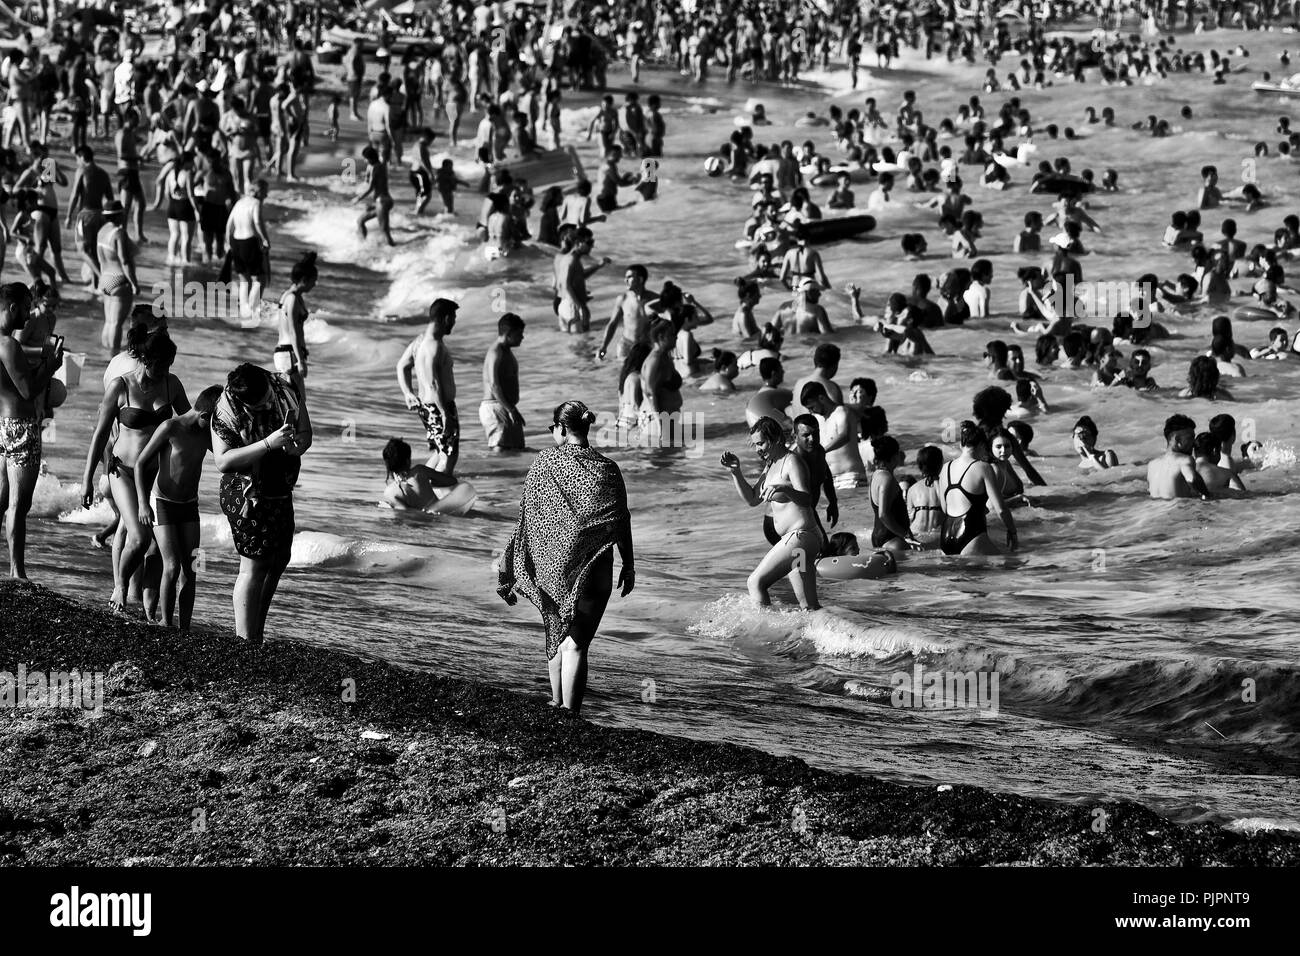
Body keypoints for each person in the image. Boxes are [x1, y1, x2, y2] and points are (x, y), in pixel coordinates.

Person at [497, 400, 634, 715]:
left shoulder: (544, 462)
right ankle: (569, 714)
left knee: (559, 633)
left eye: (551, 428)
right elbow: (619, 520)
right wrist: (629, 563)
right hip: (596, 567)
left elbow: (529, 518)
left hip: (555, 570)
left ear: (560, 428)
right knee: (577, 644)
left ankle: (557, 704)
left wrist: (512, 563)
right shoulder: (608, 468)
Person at [82, 327, 190, 617]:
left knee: (156, 548)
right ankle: (119, 586)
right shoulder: (120, 386)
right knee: (140, 537)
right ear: (145, 358)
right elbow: (100, 435)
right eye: (161, 364)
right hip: (123, 473)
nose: (165, 370)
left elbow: (190, 423)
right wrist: (87, 481)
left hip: (157, 475)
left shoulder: (172, 384)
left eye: (169, 365)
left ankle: (149, 612)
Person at [211, 363, 312, 643]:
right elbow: (223, 461)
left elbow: (306, 433)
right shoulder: (226, 407)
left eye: (265, 398)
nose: (264, 406)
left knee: (279, 558)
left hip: (279, 487)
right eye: (255, 405)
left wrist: (296, 446)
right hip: (244, 491)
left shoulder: (285, 389)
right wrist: (268, 443)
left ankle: (257, 629)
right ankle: (245, 639)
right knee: (254, 564)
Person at [135, 385, 221, 631]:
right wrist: (142, 503)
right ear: (205, 415)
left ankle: (184, 627)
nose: (218, 427)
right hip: (162, 502)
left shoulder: (207, 434)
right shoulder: (170, 427)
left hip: (189, 505)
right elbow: (141, 463)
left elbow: (227, 456)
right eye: (216, 420)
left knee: (191, 568)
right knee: (171, 566)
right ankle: (165, 621)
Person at [720, 416, 821, 611]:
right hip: (799, 547)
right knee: (809, 606)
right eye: (755, 445)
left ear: (775, 439)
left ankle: (763, 632)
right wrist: (736, 472)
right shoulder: (771, 466)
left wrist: (786, 490)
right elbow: (752, 499)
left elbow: (807, 499)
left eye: (761, 443)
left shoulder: (792, 462)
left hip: (801, 538)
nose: (758, 449)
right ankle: (829, 637)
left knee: (755, 582)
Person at [0, 282, 61, 580]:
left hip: (1, 424)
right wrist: (51, 365)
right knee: (18, 504)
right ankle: (17, 571)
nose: (27, 316)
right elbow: (27, 390)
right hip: (21, 425)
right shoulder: (8, 344)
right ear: (12, 307)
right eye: (25, 308)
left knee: (1, 499)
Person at [397, 298, 460, 476]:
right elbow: (433, 383)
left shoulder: (420, 342)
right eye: (453, 317)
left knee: (440, 453)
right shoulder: (434, 346)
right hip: (439, 408)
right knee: (449, 457)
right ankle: (434, 494)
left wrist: (408, 393)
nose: (454, 322)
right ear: (446, 318)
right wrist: (446, 414)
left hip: (427, 408)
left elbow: (402, 366)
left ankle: (415, 486)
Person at [940, 421, 1018, 556]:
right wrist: (1012, 531)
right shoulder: (983, 467)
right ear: (982, 445)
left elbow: (944, 507)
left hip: (946, 536)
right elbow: (1001, 509)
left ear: (961, 445)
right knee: (1010, 566)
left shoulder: (945, 468)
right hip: (971, 535)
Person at [800, 381, 867, 490]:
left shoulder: (842, 412)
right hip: (829, 480)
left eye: (812, 407)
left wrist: (822, 450)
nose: (811, 411)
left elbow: (844, 436)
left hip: (850, 477)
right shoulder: (817, 419)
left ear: (821, 398)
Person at [94, 200, 137, 352]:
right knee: (117, 323)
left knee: (109, 321)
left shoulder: (102, 231)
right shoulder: (119, 233)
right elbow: (124, 261)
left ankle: (105, 354)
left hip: (105, 279)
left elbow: (100, 258)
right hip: (119, 279)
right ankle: (113, 355)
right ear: (119, 215)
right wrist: (134, 283)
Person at [225, 179, 270, 321]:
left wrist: (228, 243)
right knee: (259, 279)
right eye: (265, 191)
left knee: (244, 278)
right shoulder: (255, 203)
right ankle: (253, 309)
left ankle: (243, 309)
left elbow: (229, 225)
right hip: (250, 242)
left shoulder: (240, 202)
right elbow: (257, 221)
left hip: (236, 243)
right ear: (258, 191)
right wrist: (265, 239)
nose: (266, 195)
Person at [480, 313, 526, 451]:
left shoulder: (506, 351)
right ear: (509, 333)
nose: (522, 337)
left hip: (505, 407)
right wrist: (511, 410)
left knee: (517, 450)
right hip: (495, 407)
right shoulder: (496, 352)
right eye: (519, 334)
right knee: (500, 450)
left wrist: (512, 409)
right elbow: (494, 385)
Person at [868, 435, 920, 550]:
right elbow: (883, 514)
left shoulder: (876, 476)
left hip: (880, 536)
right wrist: (905, 535)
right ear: (894, 456)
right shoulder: (887, 478)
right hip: (892, 539)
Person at [380, 437, 459, 511]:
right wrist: (431, 483)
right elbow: (451, 481)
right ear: (408, 461)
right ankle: (439, 449)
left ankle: (438, 451)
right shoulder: (420, 471)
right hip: (437, 518)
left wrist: (390, 507)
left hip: (419, 523)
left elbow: (404, 514)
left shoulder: (390, 492)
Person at [1147, 413, 1212, 500]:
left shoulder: (1152, 464)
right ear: (1177, 439)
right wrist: (1207, 496)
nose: (1194, 443)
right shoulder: (1184, 460)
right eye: (1190, 438)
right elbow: (1191, 479)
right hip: (1176, 511)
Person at [598, 264, 652, 361]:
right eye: (625, 277)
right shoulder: (623, 299)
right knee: (623, 374)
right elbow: (613, 323)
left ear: (640, 279)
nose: (625, 280)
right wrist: (603, 347)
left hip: (646, 346)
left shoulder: (654, 300)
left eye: (629, 277)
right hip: (626, 345)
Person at [275, 252, 317, 379]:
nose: (314, 284)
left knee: (294, 398)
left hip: (286, 353)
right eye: (313, 281)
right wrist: (301, 361)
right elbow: (293, 332)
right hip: (290, 353)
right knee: (298, 398)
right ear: (304, 280)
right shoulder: (292, 299)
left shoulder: (288, 295)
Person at [906, 444, 945, 550]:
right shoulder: (946, 486)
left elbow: (909, 518)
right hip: (937, 538)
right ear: (940, 464)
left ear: (920, 466)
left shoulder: (912, 489)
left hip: (916, 536)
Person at [792, 342, 841, 417]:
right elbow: (838, 418)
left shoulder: (798, 383)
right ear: (834, 365)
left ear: (815, 361)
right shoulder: (832, 387)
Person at [746, 357, 792, 429]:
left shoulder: (758, 396)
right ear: (773, 373)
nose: (783, 372)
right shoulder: (776, 396)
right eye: (781, 369)